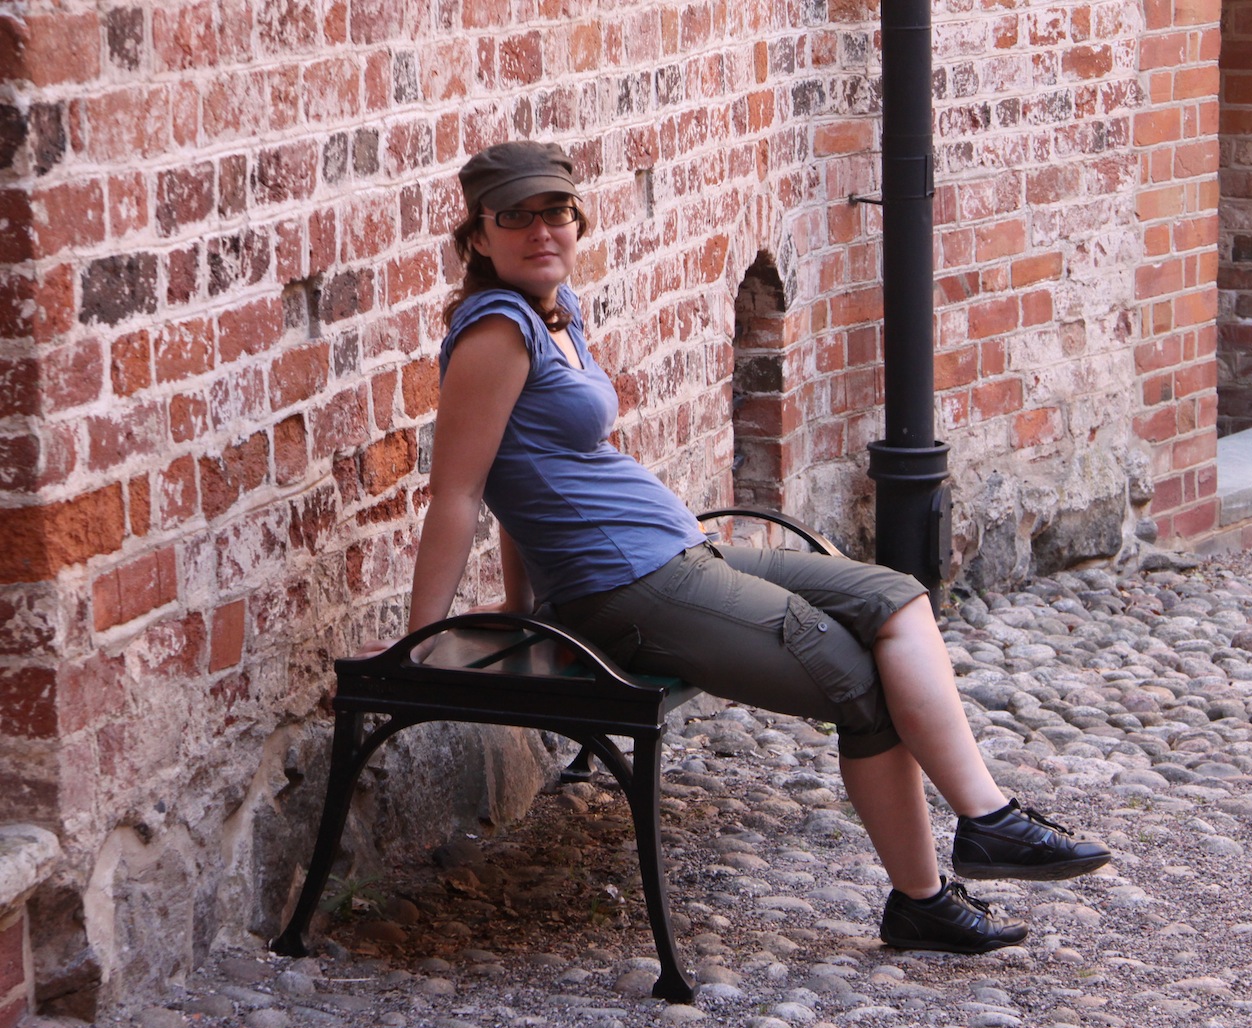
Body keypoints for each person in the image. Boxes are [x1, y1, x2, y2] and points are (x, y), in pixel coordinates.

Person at [393, 139, 1111, 954]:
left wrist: (520, 598)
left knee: (892, 595)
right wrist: (423, 635)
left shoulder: (556, 312)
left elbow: (532, 473)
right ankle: (925, 899)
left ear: (577, 220)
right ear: (478, 235)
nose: (540, 230)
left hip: (671, 554)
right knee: (855, 678)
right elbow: (462, 490)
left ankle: (988, 818)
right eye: (514, 216)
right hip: (629, 587)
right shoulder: (495, 334)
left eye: (555, 210)